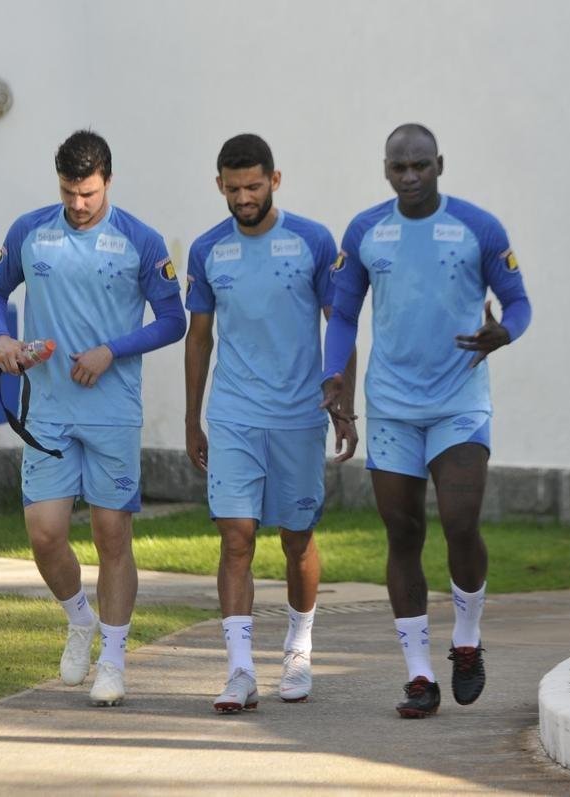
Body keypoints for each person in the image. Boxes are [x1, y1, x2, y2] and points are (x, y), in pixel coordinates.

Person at [321, 123, 532, 718]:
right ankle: (419, 676)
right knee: (403, 532)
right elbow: (342, 314)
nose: (410, 177)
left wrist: (504, 332)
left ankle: (466, 640)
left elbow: (518, 301)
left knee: (461, 522)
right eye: (399, 168)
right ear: (386, 170)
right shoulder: (366, 231)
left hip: (459, 401)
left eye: (421, 166)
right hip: (391, 404)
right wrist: (334, 374)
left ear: (440, 164)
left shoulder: (478, 228)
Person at [0, 130, 186, 706]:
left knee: (111, 534)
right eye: (70, 192)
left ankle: (115, 662)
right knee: (44, 535)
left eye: (89, 193)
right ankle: (80, 621)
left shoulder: (140, 241)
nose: (78, 204)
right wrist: (3, 340)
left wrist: (111, 350)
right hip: (47, 410)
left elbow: (174, 321)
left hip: (112, 412)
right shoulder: (30, 230)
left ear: (109, 182)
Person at [184, 133, 357, 713]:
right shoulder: (208, 249)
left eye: (253, 186)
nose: (243, 197)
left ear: (274, 181)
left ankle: (298, 647)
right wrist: (193, 418)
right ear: (219, 186)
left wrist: (342, 400)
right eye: (233, 188)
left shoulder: (311, 240)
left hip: (298, 415)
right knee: (236, 537)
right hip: (233, 413)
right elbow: (199, 337)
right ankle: (239, 671)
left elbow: (341, 324)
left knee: (296, 538)